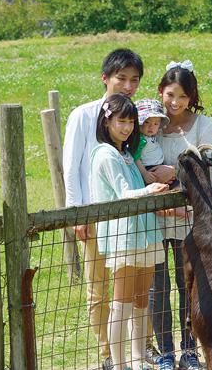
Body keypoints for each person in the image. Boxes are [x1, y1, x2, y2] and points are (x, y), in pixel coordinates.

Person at [64, 48, 169, 370]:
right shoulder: (84, 115)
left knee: (138, 287)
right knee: (99, 287)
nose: (127, 85)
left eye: (134, 80)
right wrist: (77, 213)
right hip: (97, 213)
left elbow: (139, 161)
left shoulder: (134, 118)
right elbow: (71, 166)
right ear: (105, 78)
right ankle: (110, 354)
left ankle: (140, 350)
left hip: (136, 220)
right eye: (121, 78)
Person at [90, 94, 169, 370]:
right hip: (123, 239)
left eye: (131, 121)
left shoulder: (125, 153)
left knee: (140, 302)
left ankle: (138, 362)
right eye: (120, 121)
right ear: (106, 121)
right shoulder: (106, 155)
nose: (126, 127)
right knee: (120, 304)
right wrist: (149, 190)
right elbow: (124, 194)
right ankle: (120, 364)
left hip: (145, 234)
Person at [149, 60, 212, 370]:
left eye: (182, 97)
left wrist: (174, 174)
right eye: (169, 94)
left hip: (188, 218)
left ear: (191, 97)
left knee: (188, 285)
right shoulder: (151, 124)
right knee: (158, 286)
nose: (174, 103)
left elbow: (206, 167)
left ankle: (190, 350)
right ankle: (165, 353)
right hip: (155, 220)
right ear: (161, 92)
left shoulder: (202, 125)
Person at [133, 98, 170, 185]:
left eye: (156, 124)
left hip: (160, 166)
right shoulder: (140, 139)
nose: (151, 127)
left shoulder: (153, 136)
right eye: (147, 122)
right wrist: (144, 174)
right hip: (148, 169)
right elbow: (135, 157)